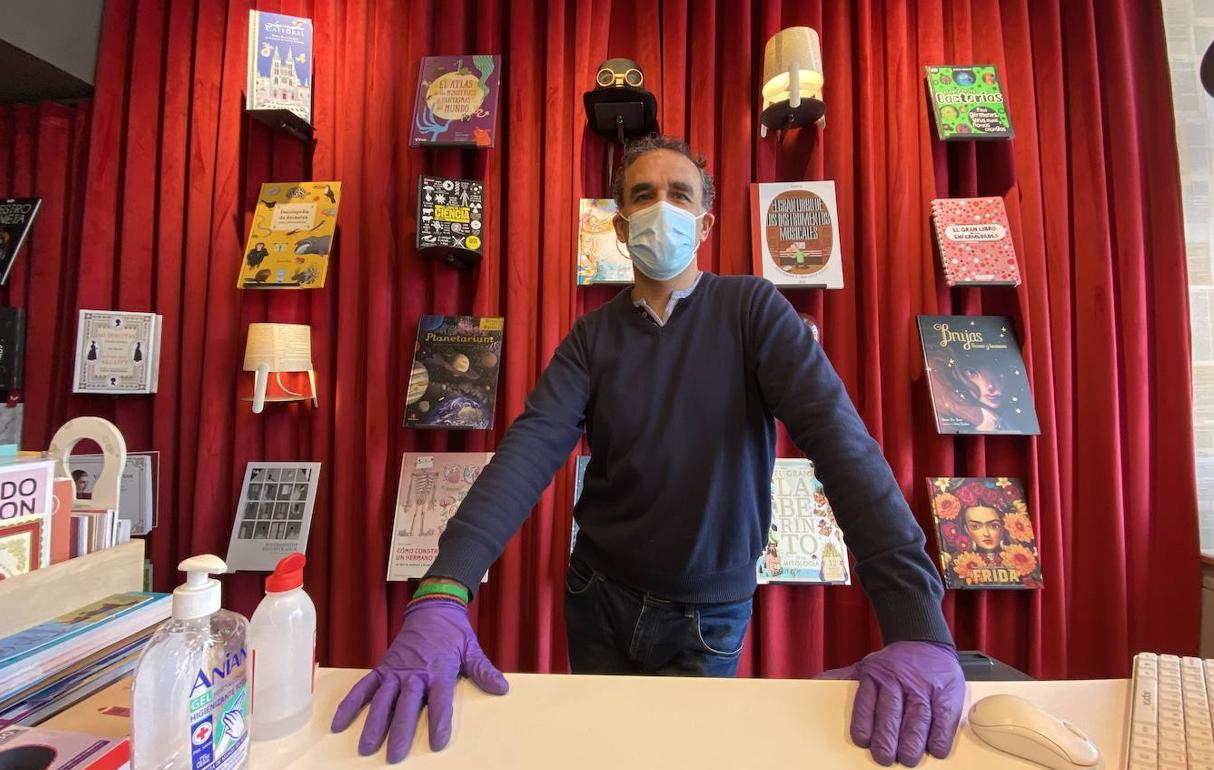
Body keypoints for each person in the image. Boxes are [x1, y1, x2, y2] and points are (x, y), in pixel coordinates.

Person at [331, 136, 965, 767]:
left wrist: (916, 621)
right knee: (599, 756)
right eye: (644, 195)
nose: (662, 207)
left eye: (679, 194)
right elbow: (526, 453)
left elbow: (841, 442)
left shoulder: (753, 311)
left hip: (709, 616)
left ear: (705, 222)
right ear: (619, 224)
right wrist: (445, 587)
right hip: (598, 597)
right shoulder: (592, 337)